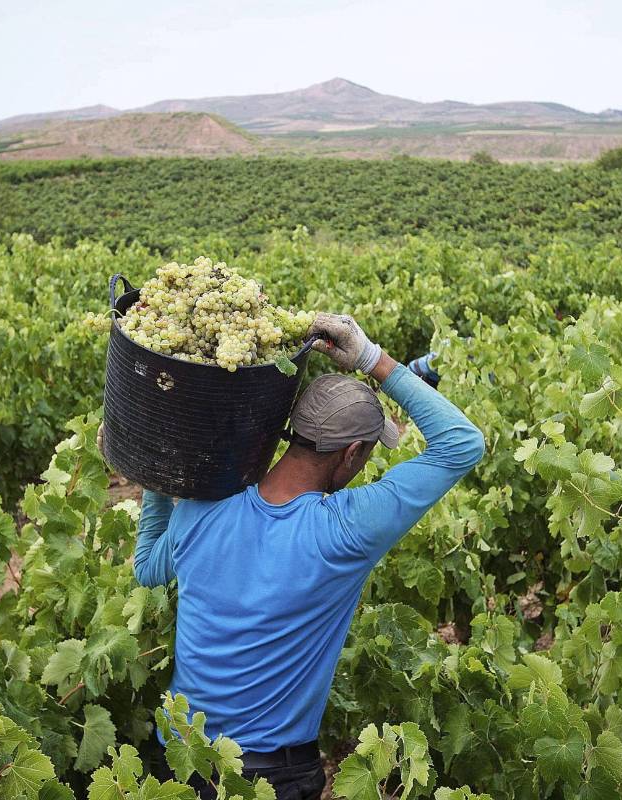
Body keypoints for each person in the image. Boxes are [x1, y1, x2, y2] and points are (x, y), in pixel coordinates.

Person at [129, 313, 484, 799]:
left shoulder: (204, 508)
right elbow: (462, 444)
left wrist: (158, 485)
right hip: (271, 779)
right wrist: (370, 359)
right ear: (352, 454)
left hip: (182, 762)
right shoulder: (345, 530)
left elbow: (147, 569)